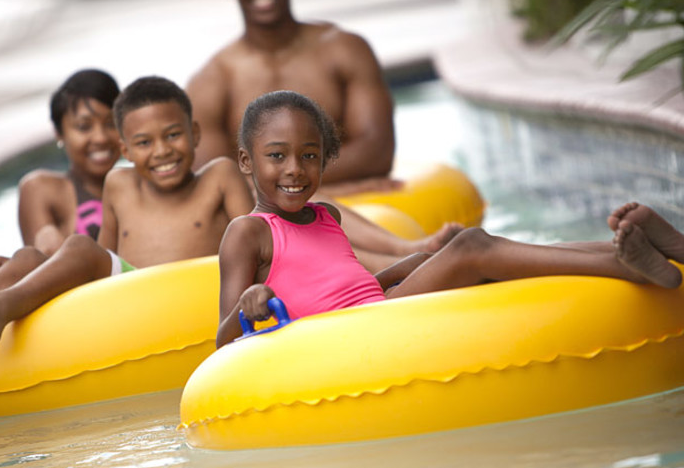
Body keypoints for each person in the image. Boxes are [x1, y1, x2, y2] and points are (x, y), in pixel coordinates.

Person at [215, 91, 683, 346]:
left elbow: (334, 286)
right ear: (246, 161)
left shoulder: (326, 214)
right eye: (277, 156)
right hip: (355, 334)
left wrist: (399, 269)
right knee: (473, 245)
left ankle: (649, 245)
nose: (295, 169)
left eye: (309, 155)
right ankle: (623, 264)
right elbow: (222, 342)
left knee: (472, 255)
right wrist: (250, 303)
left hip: (380, 305)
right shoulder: (248, 233)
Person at [0, 76, 254, 373]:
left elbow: (256, 236)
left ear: (196, 134)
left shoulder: (218, 176)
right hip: (133, 296)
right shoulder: (119, 183)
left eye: (173, 135)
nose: (161, 151)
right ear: (125, 151)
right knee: (33, 256)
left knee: (77, 247)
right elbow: (106, 256)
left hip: (190, 292)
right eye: (144, 142)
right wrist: (20, 267)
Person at [186, 0, 462, 271]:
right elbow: (219, 181)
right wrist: (327, 185)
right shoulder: (211, 82)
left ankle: (411, 254)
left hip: (297, 199)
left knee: (305, 208)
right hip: (272, 216)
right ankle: (407, 259)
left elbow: (377, 151)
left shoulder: (343, 49)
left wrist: (302, 182)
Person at [0, 68, 122, 277]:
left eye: (111, 124)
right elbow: (39, 264)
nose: (100, 137)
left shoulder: (136, 185)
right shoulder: (44, 188)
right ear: (59, 132)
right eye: (84, 127)